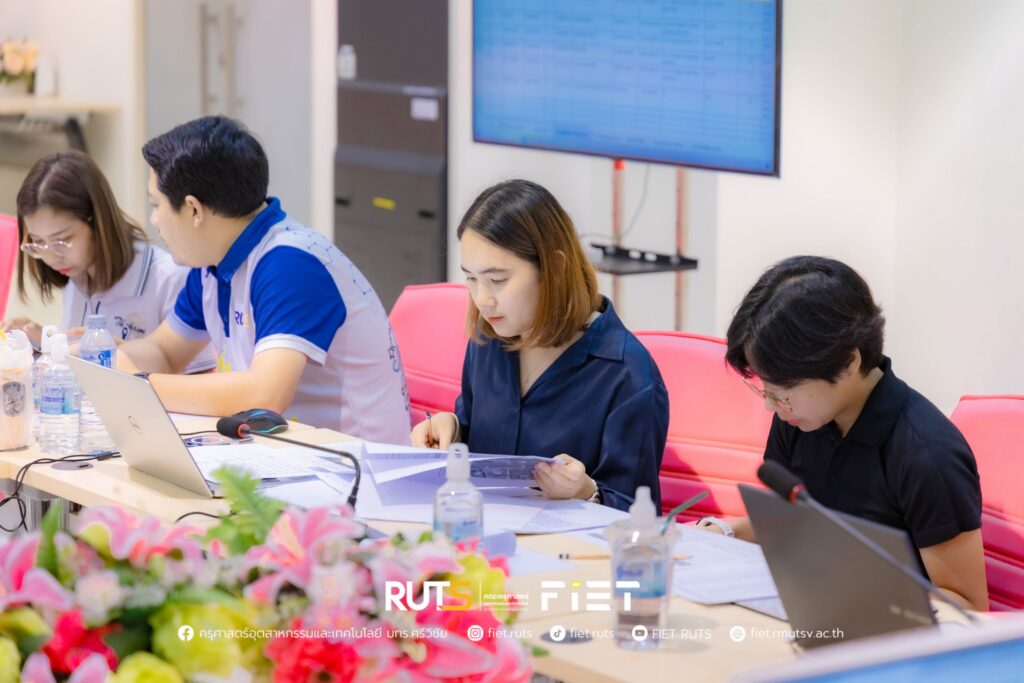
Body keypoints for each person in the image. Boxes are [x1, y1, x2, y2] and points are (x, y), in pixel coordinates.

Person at [699, 255, 987, 611]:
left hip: (891, 632)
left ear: (848, 362)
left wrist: (855, 591)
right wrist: (720, 533)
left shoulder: (927, 454)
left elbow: (967, 605)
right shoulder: (800, 419)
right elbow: (790, 522)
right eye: (765, 390)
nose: (771, 407)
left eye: (783, 392)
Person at [117, 115, 410, 442]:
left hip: (356, 463)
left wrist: (143, 384)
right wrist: (106, 359)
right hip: (287, 454)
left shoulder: (290, 264)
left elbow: (265, 396)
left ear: (194, 210)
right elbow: (165, 352)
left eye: (156, 205)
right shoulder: (213, 261)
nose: (154, 220)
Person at [410, 179, 669, 511]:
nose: (483, 299)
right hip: (481, 530)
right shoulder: (489, 336)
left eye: (498, 280)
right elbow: (478, 432)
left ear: (554, 268)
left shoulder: (627, 374)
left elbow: (640, 517)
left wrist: (587, 492)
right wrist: (453, 429)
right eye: (471, 278)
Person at [2, 151, 214, 373]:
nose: (51, 258)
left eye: (62, 240)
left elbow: (197, 381)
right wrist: (46, 340)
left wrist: (120, 356)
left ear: (97, 220)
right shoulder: (76, 275)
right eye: (38, 242)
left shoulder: (170, 279)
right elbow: (81, 363)